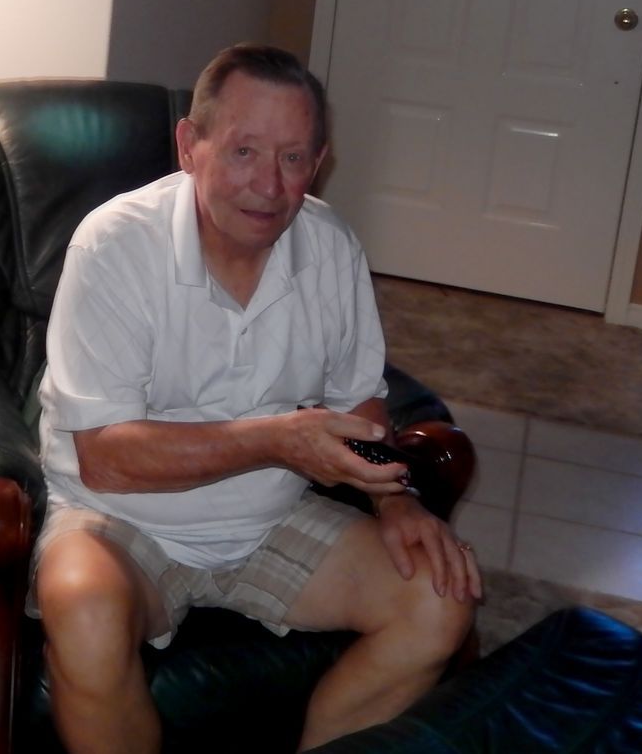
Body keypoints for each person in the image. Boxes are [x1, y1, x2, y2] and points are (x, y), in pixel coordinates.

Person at [32, 44, 481, 753]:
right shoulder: (116, 245)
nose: (269, 186)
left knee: (439, 599)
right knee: (84, 616)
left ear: (319, 161)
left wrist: (395, 500)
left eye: (293, 158)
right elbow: (106, 460)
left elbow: (360, 404)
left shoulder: (331, 247)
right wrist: (276, 440)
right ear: (190, 145)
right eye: (244, 151)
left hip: (269, 518)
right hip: (119, 520)